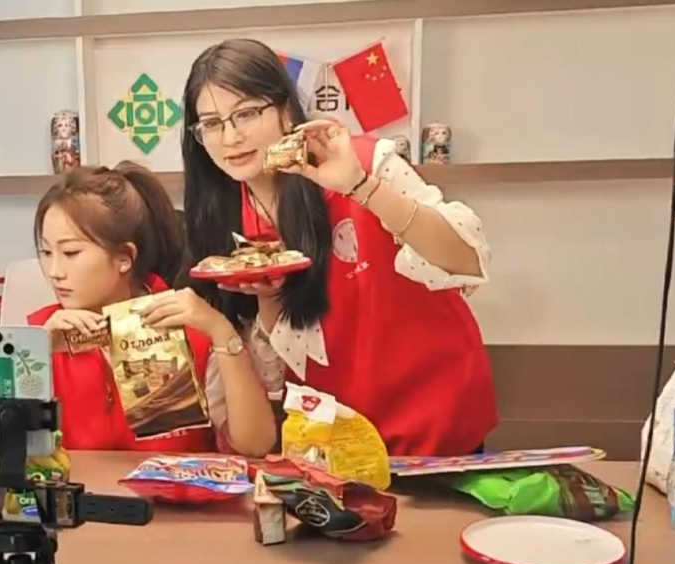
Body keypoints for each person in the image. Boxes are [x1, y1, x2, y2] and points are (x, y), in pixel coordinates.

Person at [179, 38, 497, 456]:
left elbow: (466, 258)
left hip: (437, 422)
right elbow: (281, 368)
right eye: (211, 123)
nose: (231, 137)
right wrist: (270, 299)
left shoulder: (361, 159)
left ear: (286, 109)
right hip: (339, 441)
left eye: (247, 113)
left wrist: (362, 187)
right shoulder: (226, 219)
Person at [28, 162, 276, 456]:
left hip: (176, 486)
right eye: (46, 252)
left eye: (71, 252)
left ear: (124, 258)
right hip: (77, 487)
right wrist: (31, 358)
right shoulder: (41, 332)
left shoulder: (190, 328)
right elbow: (6, 450)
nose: (54, 271)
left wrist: (222, 333)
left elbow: (256, 446)